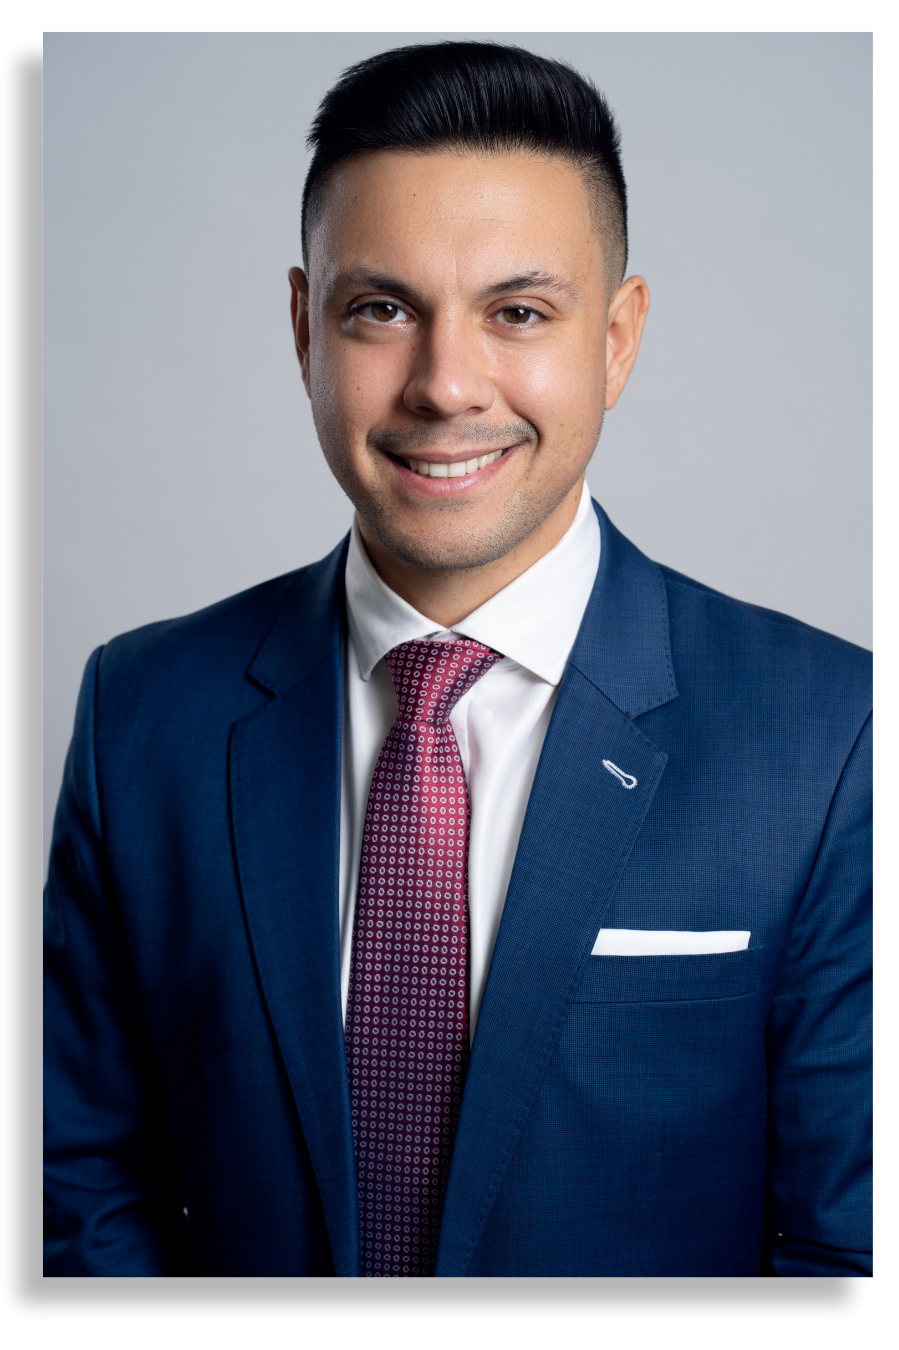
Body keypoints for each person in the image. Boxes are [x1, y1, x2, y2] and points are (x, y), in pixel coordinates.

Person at [43, 42, 872, 1278]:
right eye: (380, 309)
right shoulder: (142, 715)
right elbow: (82, 1189)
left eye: (517, 312)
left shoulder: (822, 738)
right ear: (301, 327)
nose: (443, 384)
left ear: (618, 337)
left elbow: (846, 1242)